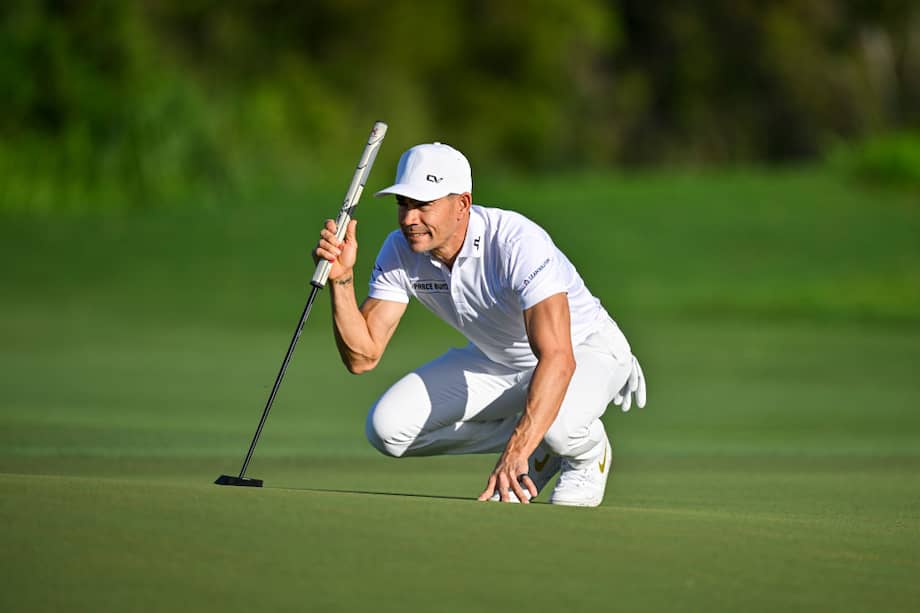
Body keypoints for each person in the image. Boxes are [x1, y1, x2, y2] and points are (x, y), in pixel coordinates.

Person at [313, 142, 646, 506]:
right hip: (497, 362)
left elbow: (559, 358)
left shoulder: (516, 241)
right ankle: (543, 439)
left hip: (585, 350)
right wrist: (342, 280)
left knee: (562, 429)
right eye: (403, 204)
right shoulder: (400, 250)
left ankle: (585, 452)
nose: (409, 219)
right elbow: (363, 357)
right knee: (387, 430)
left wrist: (516, 450)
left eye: (424, 204)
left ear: (463, 205)